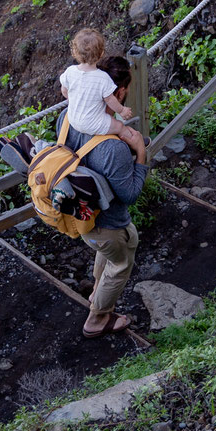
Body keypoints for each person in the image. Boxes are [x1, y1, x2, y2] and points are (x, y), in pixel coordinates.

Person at [64, 53, 148, 338]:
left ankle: (97, 291)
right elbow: (131, 194)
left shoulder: (67, 118)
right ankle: (97, 318)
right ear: (120, 91)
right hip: (105, 222)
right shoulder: (113, 149)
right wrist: (140, 153)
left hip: (78, 213)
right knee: (120, 263)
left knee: (120, 244)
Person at [60, 27, 140, 152]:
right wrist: (122, 110)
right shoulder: (102, 78)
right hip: (92, 123)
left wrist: (74, 100)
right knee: (119, 126)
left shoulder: (70, 71)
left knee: (112, 123)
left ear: (74, 52)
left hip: (73, 119)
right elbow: (109, 99)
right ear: (101, 53)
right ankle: (134, 144)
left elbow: (65, 91)